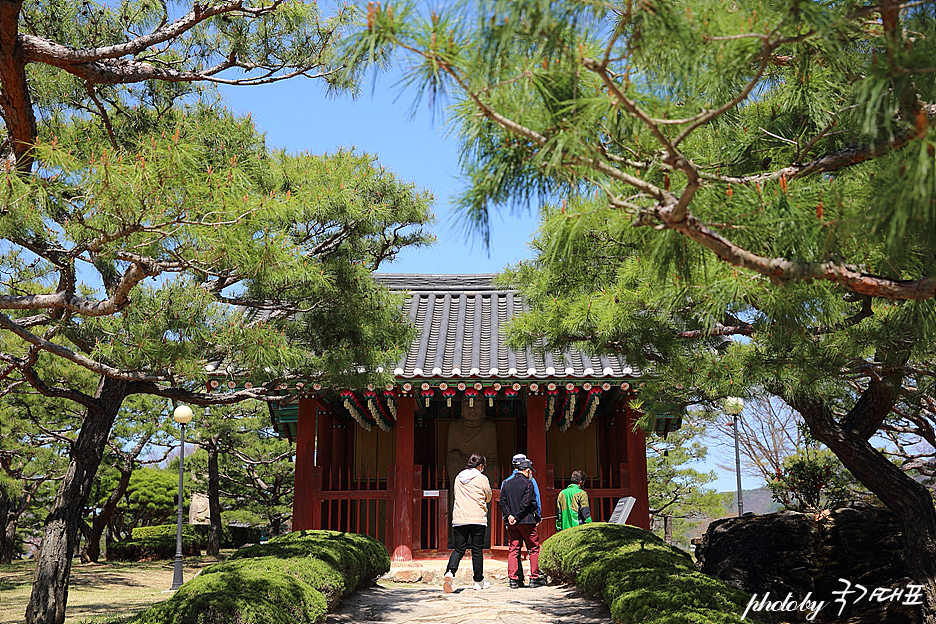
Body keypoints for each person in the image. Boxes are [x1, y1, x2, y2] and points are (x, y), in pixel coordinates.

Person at [443, 452, 492, 592]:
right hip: (477, 518)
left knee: (459, 549)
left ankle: (450, 572)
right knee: (477, 550)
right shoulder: (482, 478)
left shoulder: (458, 477)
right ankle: (478, 581)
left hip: (459, 519)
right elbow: (488, 496)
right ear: (481, 466)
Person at [498, 459, 543, 589]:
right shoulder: (528, 484)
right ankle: (534, 578)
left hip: (513, 523)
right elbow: (528, 503)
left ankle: (513, 579)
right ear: (527, 470)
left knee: (513, 549)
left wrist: (510, 517)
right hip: (526, 521)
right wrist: (533, 517)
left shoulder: (506, 483)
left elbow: (502, 502)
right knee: (533, 548)